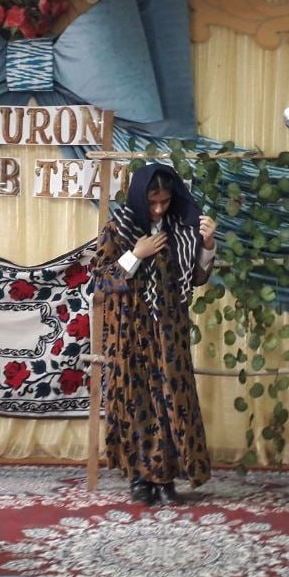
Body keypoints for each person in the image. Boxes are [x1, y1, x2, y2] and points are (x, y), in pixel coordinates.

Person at [94, 163, 216, 506]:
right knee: (135, 400)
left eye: (165, 201)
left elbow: (197, 278)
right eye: (153, 203)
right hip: (129, 331)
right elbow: (100, 283)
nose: (159, 209)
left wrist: (207, 243)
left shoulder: (181, 230)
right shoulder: (118, 228)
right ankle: (139, 478)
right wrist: (136, 254)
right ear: (139, 197)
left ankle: (165, 478)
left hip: (168, 329)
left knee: (170, 400)